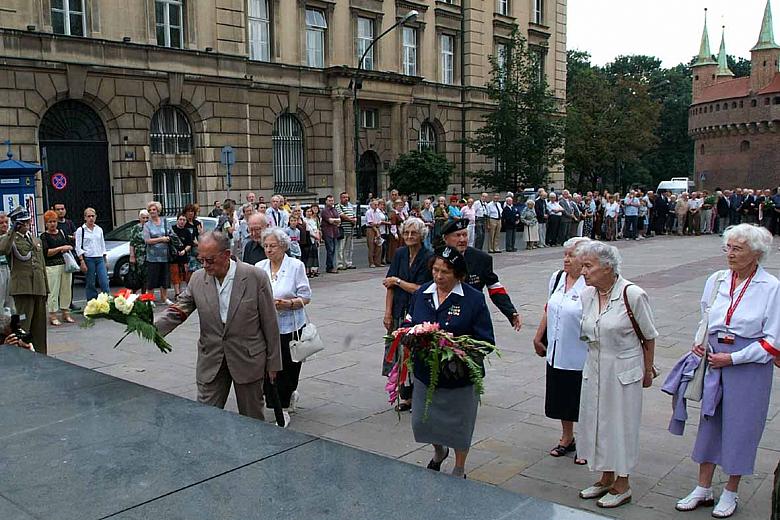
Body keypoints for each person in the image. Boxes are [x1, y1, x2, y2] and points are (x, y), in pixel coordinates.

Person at [673, 225, 779, 518]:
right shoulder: (717, 279)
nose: (730, 254)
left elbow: (773, 340)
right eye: (727, 248)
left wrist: (733, 359)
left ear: (756, 253)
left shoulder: (771, 287)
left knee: (741, 426)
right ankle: (703, 487)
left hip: (748, 366)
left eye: (737, 249)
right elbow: (706, 315)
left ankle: (731, 491)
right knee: (710, 421)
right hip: (714, 358)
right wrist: (699, 343)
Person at [156, 231, 281, 420]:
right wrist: (149, 328)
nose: (205, 265)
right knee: (206, 417)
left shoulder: (255, 277)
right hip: (211, 359)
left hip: (247, 359)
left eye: (210, 260)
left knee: (252, 419)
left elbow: (270, 323)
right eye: (201, 260)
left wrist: (273, 363)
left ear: (226, 255)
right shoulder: (198, 279)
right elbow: (179, 309)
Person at [576, 241, 658, 509]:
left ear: (608, 267)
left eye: (589, 266)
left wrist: (647, 370)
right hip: (595, 367)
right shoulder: (588, 295)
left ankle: (623, 483)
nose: (583, 271)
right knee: (596, 421)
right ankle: (605, 476)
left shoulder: (632, 294)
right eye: (583, 265)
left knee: (620, 425)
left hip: (623, 370)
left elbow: (649, 336)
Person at [406, 246, 495, 478]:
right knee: (423, 422)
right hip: (427, 374)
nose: (438, 276)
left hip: (460, 378)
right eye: (435, 270)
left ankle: (459, 467)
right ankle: (438, 451)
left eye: (445, 271)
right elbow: (408, 323)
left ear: (458, 274)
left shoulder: (473, 299)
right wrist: (410, 335)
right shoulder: (422, 293)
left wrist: (456, 348)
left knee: (459, 427)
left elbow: (486, 341)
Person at [533, 237, 590, 465]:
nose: (566, 259)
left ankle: (587, 443)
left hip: (581, 352)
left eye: (571, 255)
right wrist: (538, 336)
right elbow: (549, 307)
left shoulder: (590, 283)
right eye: (564, 255)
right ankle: (567, 437)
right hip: (557, 348)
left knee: (582, 398)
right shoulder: (557, 278)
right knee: (561, 396)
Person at [256, 228, 312, 427]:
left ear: (283, 246)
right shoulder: (259, 267)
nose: (269, 250)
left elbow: (306, 297)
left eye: (273, 246)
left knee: (288, 367)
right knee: (268, 367)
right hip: (266, 326)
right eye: (266, 246)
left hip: (291, 326)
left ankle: (285, 407)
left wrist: (287, 304)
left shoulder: (295, 265)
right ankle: (277, 401)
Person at [382, 217, 433, 411]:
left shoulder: (428, 257)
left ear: (422, 235)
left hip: (417, 312)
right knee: (397, 353)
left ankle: (417, 395)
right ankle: (404, 395)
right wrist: (387, 313)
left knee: (414, 352)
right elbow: (389, 285)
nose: (409, 236)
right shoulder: (400, 253)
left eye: (414, 233)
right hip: (398, 309)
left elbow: (422, 288)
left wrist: (398, 281)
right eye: (406, 233)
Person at [441, 219, 522, 330]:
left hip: (473, 315)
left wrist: (510, 311)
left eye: (465, 235)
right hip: (444, 316)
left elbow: (495, 288)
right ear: (446, 239)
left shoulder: (481, 259)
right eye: (457, 235)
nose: (462, 239)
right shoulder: (436, 259)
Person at [0, 206, 48, 353]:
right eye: (23, 222)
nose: (27, 224)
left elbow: (41, 264)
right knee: (23, 325)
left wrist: (46, 288)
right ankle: (23, 355)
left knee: (39, 328)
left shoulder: (35, 239)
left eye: (28, 221)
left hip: (38, 287)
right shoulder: (9, 239)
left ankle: (41, 355)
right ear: (16, 224)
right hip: (23, 288)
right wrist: (12, 231)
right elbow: (3, 249)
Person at [40, 210, 74, 326]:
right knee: (53, 291)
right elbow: (47, 252)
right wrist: (60, 248)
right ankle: (53, 314)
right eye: (50, 222)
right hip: (51, 266)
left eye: (54, 221)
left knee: (66, 289)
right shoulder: (44, 236)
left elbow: (70, 245)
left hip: (65, 264)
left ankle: (65, 312)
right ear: (46, 223)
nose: (53, 224)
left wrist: (67, 247)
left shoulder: (62, 233)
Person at [75, 207, 110, 301]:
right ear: (85, 218)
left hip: (99, 258)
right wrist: (82, 261)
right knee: (90, 282)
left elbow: (102, 245)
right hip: (88, 258)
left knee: (104, 281)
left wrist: (105, 260)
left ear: (95, 217)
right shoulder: (81, 230)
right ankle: (92, 302)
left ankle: (106, 301)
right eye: (89, 216)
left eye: (93, 216)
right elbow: (78, 247)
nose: (91, 218)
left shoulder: (99, 229)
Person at [143, 201, 172, 305]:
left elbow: (171, 234)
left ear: (158, 210)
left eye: (154, 210)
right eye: (150, 210)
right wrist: (161, 239)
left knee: (164, 278)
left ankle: (164, 298)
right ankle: (150, 299)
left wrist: (168, 238)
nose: (152, 212)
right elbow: (147, 240)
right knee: (152, 278)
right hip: (152, 257)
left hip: (165, 255)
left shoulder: (165, 222)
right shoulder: (147, 225)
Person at [169, 213, 194, 298]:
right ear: (177, 220)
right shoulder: (172, 229)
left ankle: (187, 293)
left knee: (185, 275)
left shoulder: (187, 231)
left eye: (184, 220)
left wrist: (184, 251)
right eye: (180, 219)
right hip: (173, 257)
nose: (182, 222)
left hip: (184, 257)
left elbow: (189, 244)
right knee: (175, 275)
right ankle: (177, 293)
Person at [129, 209, 150, 292]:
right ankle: (134, 295)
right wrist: (132, 256)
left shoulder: (150, 227)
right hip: (139, 255)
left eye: (147, 218)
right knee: (137, 275)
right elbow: (132, 242)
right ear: (140, 218)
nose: (145, 220)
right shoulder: (136, 228)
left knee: (146, 276)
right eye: (143, 218)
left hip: (149, 254)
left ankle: (144, 295)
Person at [335, 193, 356, 270]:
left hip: (350, 229)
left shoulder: (350, 206)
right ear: (341, 198)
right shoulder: (338, 206)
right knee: (341, 248)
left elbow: (354, 215)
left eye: (347, 197)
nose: (346, 199)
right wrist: (351, 220)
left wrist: (354, 219)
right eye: (344, 197)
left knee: (349, 248)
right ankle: (340, 264)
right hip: (342, 230)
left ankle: (348, 263)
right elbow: (341, 215)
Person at [320, 195, 341, 274]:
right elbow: (330, 220)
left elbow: (339, 220)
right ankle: (329, 267)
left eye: (332, 200)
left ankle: (333, 266)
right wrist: (335, 221)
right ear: (326, 201)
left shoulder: (334, 210)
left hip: (334, 232)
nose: (331, 202)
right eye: (329, 200)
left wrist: (335, 220)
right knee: (330, 250)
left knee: (334, 250)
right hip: (328, 232)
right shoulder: (325, 211)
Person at [0, 212, 14, 313]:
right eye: (1, 223)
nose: (4, 225)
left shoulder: (11, 236)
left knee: (11, 299)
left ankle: (13, 324)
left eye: (6, 222)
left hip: (11, 267)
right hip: (0, 268)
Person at [303, 206, 321, 276]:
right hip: (308, 240)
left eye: (310, 211)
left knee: (314, 255)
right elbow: (308, 230)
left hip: (314, 240)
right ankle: (307, 271)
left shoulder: (313, 220)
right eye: (307, 211)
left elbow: (316, 229)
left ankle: (313, 270)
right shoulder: (304, 220)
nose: (309, 213)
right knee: (308, 256)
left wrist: (317, 238)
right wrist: (315, 236)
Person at [365, 199, 383, 268]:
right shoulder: (368, 212)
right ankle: (371, 262)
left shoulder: (378, 212)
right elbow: (371, 223)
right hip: (370, 229)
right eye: (374, 204)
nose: (376, 206)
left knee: (379, 245)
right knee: (371, 246)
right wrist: (376, 231)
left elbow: (379, 222)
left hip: (377, 228)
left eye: (377, 204)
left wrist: (377, 228)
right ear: (371, 205)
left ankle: (378, 262)